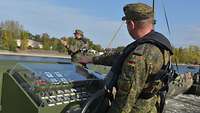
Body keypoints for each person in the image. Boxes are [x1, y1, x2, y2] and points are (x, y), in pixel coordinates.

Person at [79, 3, 192, 113]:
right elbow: (119, 57)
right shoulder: (160, 45)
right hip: (152, 105)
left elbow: (124, 102)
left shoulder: (139, 57)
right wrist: (92, 59)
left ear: (131, 24)